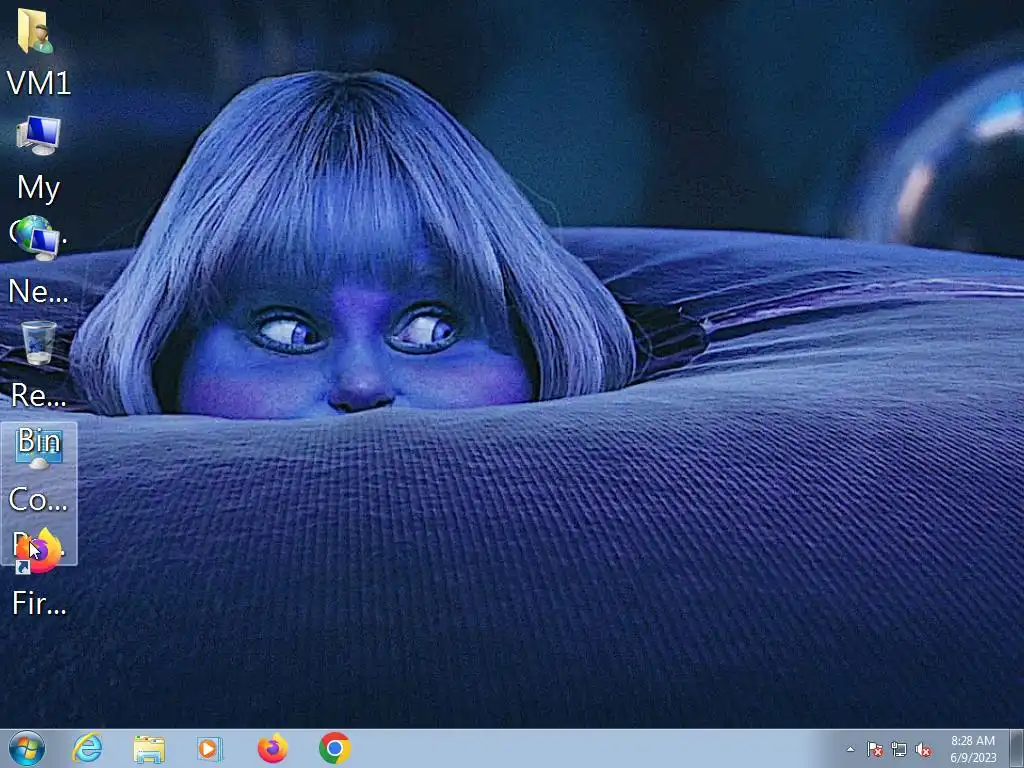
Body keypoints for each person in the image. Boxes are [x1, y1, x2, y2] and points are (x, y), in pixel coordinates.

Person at [70, 71, 659, 418]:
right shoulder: (44, 528)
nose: (361, 386)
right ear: (168, 363)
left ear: (539, 352)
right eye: (287, 332)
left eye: (432, 327)